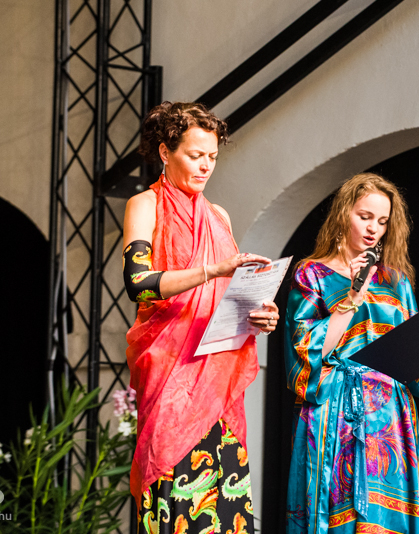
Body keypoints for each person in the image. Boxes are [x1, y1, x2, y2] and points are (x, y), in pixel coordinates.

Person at [123, 101, 278, 534]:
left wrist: (258, 314)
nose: (206, 165)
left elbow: (229, 297)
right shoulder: (145, 205)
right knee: (175, 498)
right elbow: (139, 283)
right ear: (164, 152)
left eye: (212, 156)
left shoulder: (218, 216)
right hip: (170, 376)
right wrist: (212, 270)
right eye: (195, 155)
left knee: (224, 510)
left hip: (217, 379)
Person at [284, 173, 419, 534]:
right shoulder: (312, 274)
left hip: (389, 419)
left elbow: (411, 354)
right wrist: (353, 295)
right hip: (333, 413)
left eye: (382, 221)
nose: (373, 229)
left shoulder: (397, 282)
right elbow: (306, 353)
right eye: (365, 217)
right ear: (343, 215)